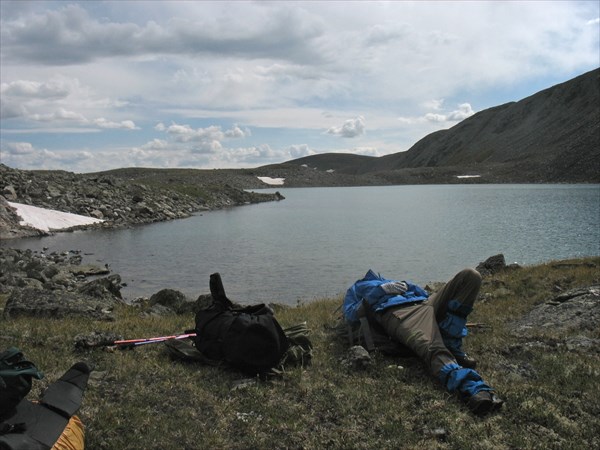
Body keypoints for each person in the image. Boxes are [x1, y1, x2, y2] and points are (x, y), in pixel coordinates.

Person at [343, 268, 503, 416]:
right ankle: (472, 388)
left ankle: (452, 343)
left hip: (424, 302)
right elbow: (351, 314)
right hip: (400, 313)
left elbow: (422, 292)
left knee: (470, 276)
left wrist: (407, 286)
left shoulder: (385, 278)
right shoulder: (356, 288)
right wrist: (378, 292)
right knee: (431, 346)